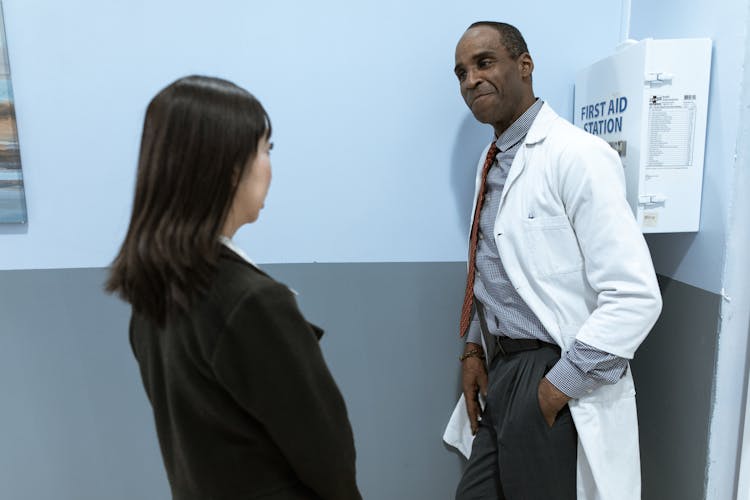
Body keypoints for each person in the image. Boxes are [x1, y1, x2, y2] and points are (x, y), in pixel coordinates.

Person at [106, 75, 361, 500]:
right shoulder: (252, 301)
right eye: (266, 149)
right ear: (228, 169)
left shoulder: (152, 296)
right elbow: (328, 456)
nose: (269, 166)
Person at [448, 22, 662, 499]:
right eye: (461, 72)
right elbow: (497, 270)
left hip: (547, 371)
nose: (470, 80)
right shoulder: (491, 160)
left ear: (524, 66)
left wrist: (553, 390)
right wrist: (474, 349)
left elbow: (635, 295)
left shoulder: (579, 156)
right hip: (500, 370)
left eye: (484, 63)